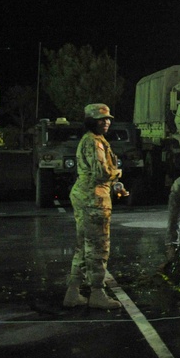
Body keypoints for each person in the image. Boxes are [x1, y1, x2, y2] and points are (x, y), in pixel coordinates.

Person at [63, 103, 129, 309]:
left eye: (108, 118)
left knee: (83, 246)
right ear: (91, 121)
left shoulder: (97, 140)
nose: (107, 122)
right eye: (102, 119)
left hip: (89, 195)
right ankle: (97, 293)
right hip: (94, 199)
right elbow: (101, 173)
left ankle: (73, 292)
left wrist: (115, 184)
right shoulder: (93, 142)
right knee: (98, 246)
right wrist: (117, 174)